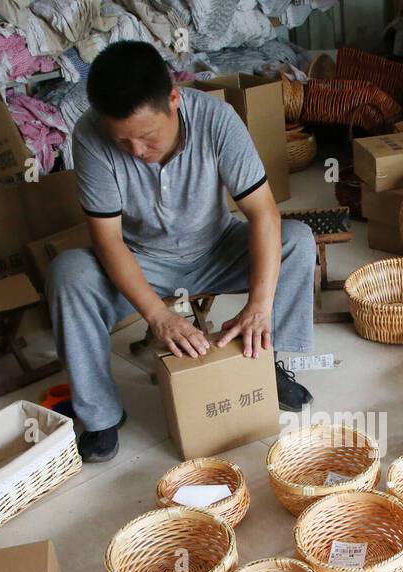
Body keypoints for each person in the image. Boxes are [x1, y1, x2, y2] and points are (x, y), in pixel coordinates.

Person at [48, 40, 317, 463]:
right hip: (141, 261)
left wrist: (260, 305)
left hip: (214, 246)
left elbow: (263, 213)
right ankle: (99, 416)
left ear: (174, 98)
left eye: (146, 137)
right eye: (124, 141)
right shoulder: (89, 136)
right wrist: (159, 316)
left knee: (297, 240)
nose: (137, 151)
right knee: (69, 273)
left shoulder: (216, 119)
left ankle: (270, 365)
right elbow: (108, 240)